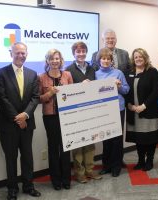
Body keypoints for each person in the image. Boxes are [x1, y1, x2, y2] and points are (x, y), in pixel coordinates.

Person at [0, 42, 41, 199]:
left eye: (23, 53)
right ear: (11, 53)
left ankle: (29, 185)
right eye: (17, 53)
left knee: (27, 156)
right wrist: (17, 117)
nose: (21, 56)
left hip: (27, 123)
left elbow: (35, 98)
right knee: (11, 158)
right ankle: (12, 189)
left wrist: (25, 115)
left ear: (26, 54)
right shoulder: (1, 73)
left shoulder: (33, 74)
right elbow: (3, 98)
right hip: (8, 124)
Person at [91, 29, 131, 167]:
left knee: (117, 137)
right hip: (102, 108)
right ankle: (106, 164)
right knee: (105, 136)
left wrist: (119, 86)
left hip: (118, 107)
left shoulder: (119, 72)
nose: (106, 60)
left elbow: (126, 89)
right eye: (103, 58)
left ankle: (117, 164)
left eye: (108, 59)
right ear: (99, 60)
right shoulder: (95, 74)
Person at [65, 41, 102, 183]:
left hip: (91, 111)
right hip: (76, 113)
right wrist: (80, 86)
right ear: (73, 53)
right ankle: (79, 173)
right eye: (78, 51)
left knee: (91, 142)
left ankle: (90, 170)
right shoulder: (68, 70)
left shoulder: (93, 68)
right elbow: (66, 92)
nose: (81, 54)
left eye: (83, 51)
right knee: (78, 144)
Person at [39, 49, 73, 190]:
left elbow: (73, 94)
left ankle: (66, 179)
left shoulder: (67, 75)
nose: (54, 61)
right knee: (53, 148)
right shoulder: (41, 77)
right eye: (51, 59)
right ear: (47, 61)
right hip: (50, 117)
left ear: (61, 60)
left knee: (66, 147)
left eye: (57, 58)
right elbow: (39, 99)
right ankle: (56, 180)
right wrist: (50, 93)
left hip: (66, 116)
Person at [125, 48, 158, 171]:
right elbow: (125, 90)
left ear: (145, 58)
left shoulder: (152, 71)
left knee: (150, 138)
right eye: (136, 57)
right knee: (139, 138)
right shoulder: (129, 72)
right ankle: (140, 161)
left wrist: (143, 106)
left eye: (141, 56)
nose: (138, 59)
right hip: (134, 111)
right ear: (133, 59)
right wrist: (129, 105)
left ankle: (149, 161)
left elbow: (155, 91)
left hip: (148, 111)